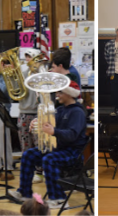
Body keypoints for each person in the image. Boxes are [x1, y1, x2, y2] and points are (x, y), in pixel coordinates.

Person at [9, 81, 88, 210]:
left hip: (72, 151)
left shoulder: (77, 112)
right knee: (29, 154)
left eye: (60, 92)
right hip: (58, 148)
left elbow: (72, 135)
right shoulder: (60, 109)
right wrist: (37, 122)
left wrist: (54, 131)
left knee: (49, 159)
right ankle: (24, 192)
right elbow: (47, 122)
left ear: (69, 94)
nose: (57, 94)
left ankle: (58, 198)